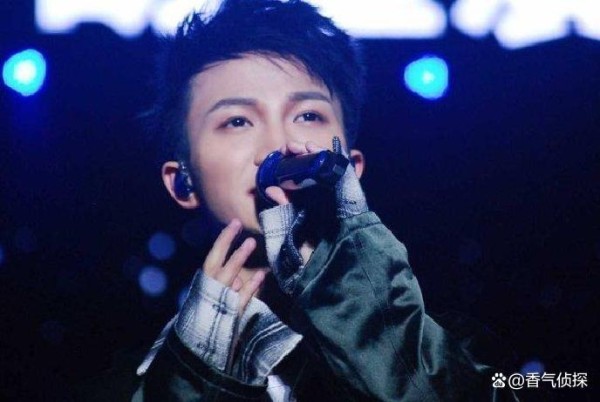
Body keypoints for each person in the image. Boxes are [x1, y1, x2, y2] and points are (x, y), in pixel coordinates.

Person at [133, 0, 520, 400]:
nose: (278, 146)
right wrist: (195, 377)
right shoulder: (146, 374)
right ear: (182, 182)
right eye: (237, 121)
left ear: (351, 167)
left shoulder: (452, 350)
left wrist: (346, 284)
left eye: (308, 116)